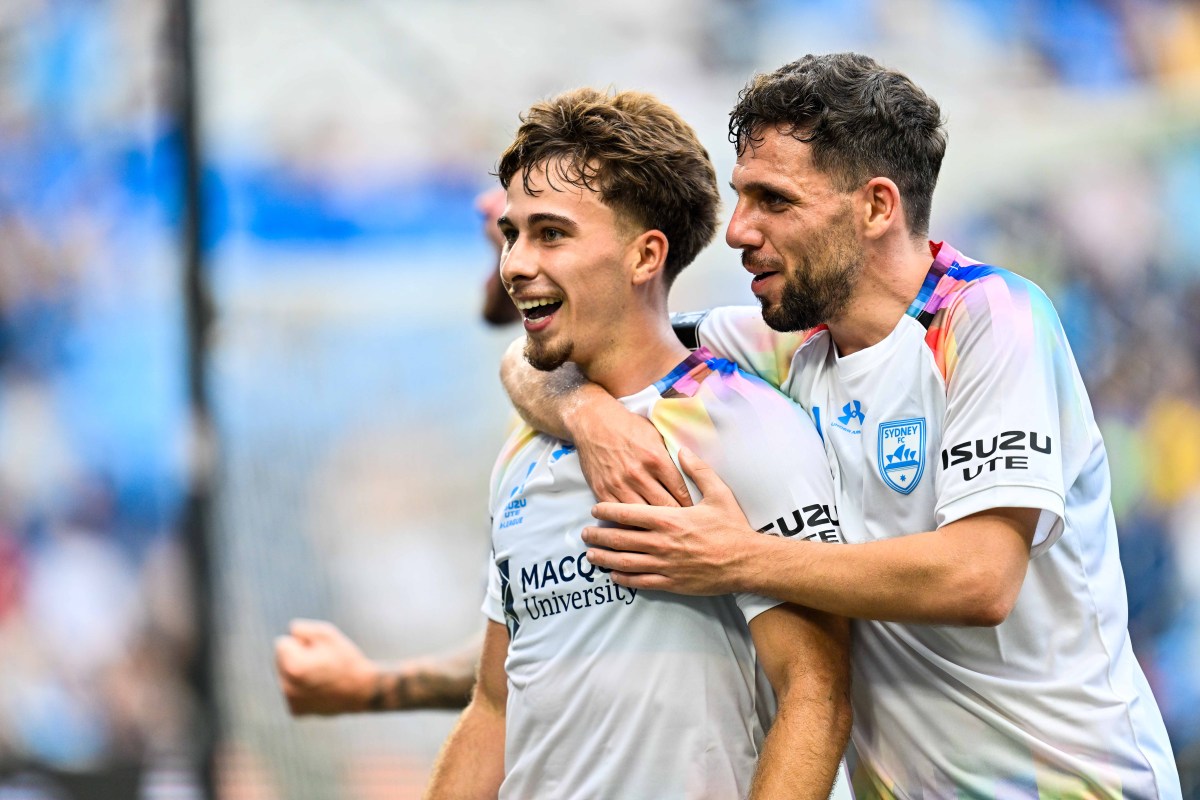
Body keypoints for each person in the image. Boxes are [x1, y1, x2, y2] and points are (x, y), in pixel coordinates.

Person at [500, 54, 1182, 798]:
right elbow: (564, 350)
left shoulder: (991, 318)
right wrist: (587, 413)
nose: (737, 231)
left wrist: (739, 558)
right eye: (739, 198)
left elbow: (981, 576)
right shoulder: (784, 343)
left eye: (773, 201)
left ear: (877, 207)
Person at [426, 87, 850, 799]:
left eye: (551, 234)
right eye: (513, 235)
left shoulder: (742, 427)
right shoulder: (524, 450)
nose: (515, 264)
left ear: (645, 254)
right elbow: (495, 706)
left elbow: (819, 694)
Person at [274, 187, 514, 717]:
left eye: (518, 190)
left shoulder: (623, 421)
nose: (481, 203)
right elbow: (523, 657)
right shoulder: (538, 415)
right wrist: (369, 687)